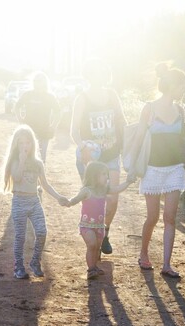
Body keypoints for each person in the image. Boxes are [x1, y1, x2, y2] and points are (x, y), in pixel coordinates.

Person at [128, 63, 185, 279]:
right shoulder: (149, 108)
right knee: (152, 217)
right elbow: (139, 136)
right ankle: (143, 254)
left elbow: (184, 139)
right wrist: (131, 164)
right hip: (152, 168)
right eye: (183, 86)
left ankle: (167, 265)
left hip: (175, 169)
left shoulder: (180, 109)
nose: (184, 90)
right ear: (173, 85)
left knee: (170, 218)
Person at [70, 58, 127, 257]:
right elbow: (74, 130)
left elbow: (121, 121)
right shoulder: (82, 98)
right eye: (95, 72)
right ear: (88, 75)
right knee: (95, 199)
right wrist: (83, 146)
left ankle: (105, 233)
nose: (99, 76)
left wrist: (127, 142)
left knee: (112, 200)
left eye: (102, 72)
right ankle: (92, 236)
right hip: (91, 160)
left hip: (112, 155)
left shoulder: (112, 95)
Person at [3, 125, 69, 279]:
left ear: (32, 144)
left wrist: (58, 197)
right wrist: (21, 161)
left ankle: (35, 261)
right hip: (19, 201)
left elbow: (45, 184)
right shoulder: (14, 161)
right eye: (21, 143)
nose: (25, 146)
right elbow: (17, 178)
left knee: (41, 232)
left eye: (28, 143)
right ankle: (18, 266)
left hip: (34, 201)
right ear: (16, 145)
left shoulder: (38, 163)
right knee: (20, 236)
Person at [66, 162, 132, 279]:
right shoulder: (86, 191)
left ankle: (95, 266)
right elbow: (75, 199)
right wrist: (68, 202)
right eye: (103, 174)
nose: (107, 177)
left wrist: (128, 182)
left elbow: (117, 189)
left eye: (107, 174)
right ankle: (90, 269)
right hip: (86, 225)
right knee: (91, 245)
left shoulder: (104, 190)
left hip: (99, 226)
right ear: (94, 175)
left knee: (97, 247)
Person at [13, 71, 61, 163]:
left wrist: (53, 126)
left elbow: (58, 112)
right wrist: (21, 120)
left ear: (45, 82)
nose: (37, 83)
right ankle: (27, 176)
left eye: (39, 81)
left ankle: (40, 175)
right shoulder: (27, 94)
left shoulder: (49, 96)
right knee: (26, 155)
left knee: (41, 157)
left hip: (44, 131)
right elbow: (17, 107)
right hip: (28, 131)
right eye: (35, 80)